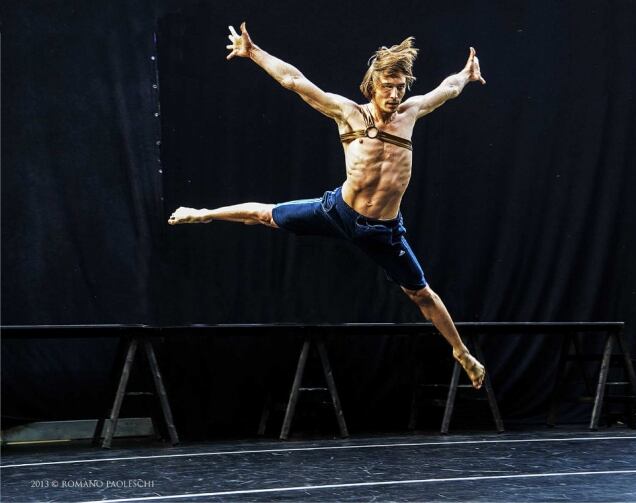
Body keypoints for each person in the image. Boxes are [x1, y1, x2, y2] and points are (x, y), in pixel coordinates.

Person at [168, 22, 487, 388]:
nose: (394, 94)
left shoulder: (410, 113)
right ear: (372, 86)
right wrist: (253, 52)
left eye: (400, 87)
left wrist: (466, 74)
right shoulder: (348, 113)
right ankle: (204, 214)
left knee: (421, 293)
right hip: (338, 213)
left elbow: (448, 90)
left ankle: (461, 352)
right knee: (264, 215)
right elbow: (294, 81)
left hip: (383, 231)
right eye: (387, 86)